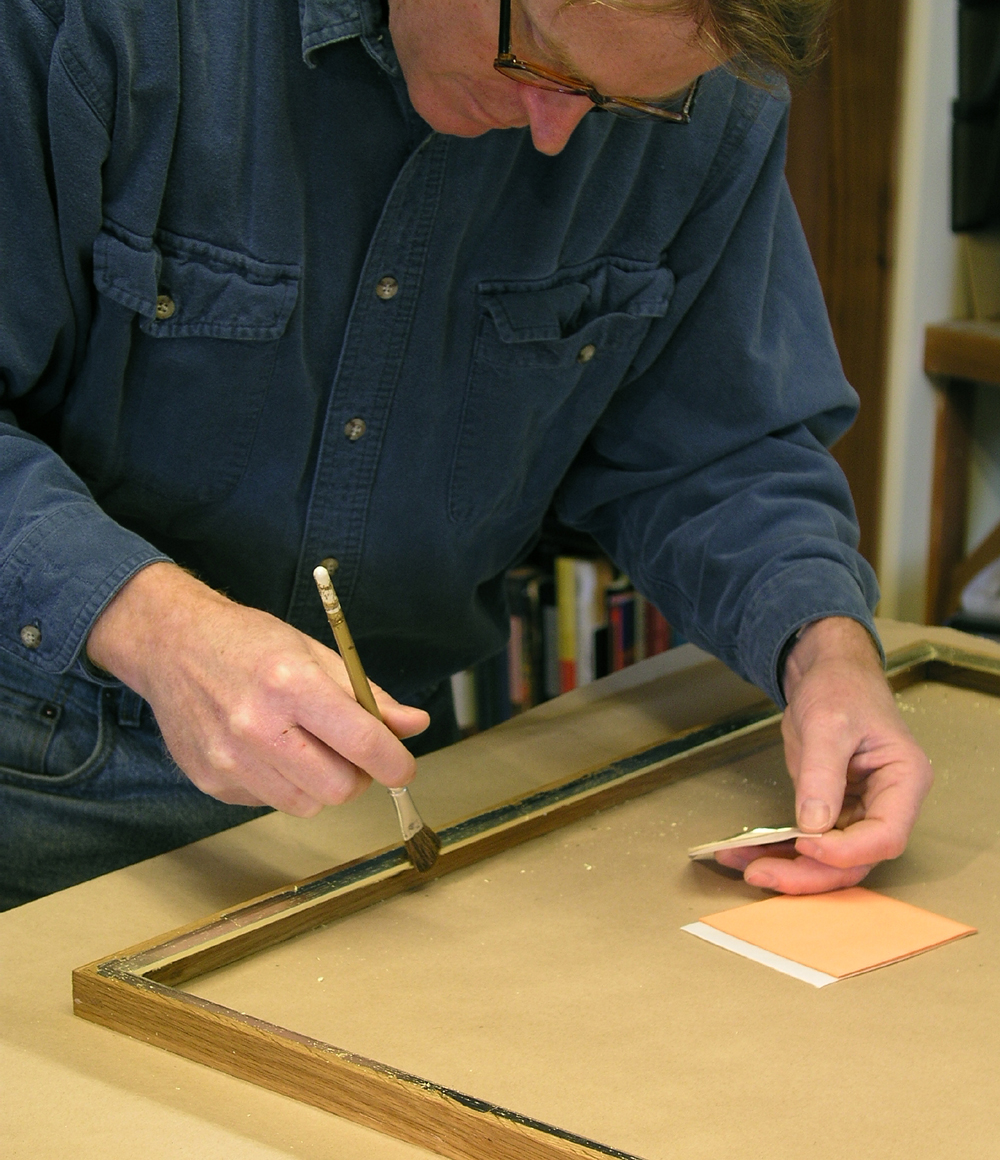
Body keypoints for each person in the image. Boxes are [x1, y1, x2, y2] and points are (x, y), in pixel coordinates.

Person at [0, 0, 931, 910]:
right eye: (538, 55)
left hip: (372, 806)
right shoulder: (103, 24)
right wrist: (158, 631)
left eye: (618, 103)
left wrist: (824, 653)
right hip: (32, 769)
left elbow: (714, 446)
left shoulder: (705, 80)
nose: (559, 132)